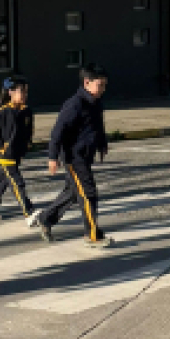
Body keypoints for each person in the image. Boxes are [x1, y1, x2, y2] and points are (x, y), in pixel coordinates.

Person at [37, 63, 113, 249]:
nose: (103, 89)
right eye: (100, 85)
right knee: (88, 193)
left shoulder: (96, 102)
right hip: (74, 158)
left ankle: (45, 218)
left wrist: (102, 144)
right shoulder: (74, 104)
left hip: (85, 156)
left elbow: (97, 126)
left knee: (73, 193)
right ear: (86, 82)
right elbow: (58, 132)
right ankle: (92, 235)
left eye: (105, 85)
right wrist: (53, 157)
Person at [0, 75, 38, 224]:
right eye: (21, 91)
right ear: (10, 92)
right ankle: (29, 213)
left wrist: (27, 144)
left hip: (17, 153)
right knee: (17, 182)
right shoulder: (2, 112)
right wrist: (1, 148)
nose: (25, 95)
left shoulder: (27, 111)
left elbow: (29, 131)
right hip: (5, 155)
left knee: (3, 181)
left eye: (26, 92)